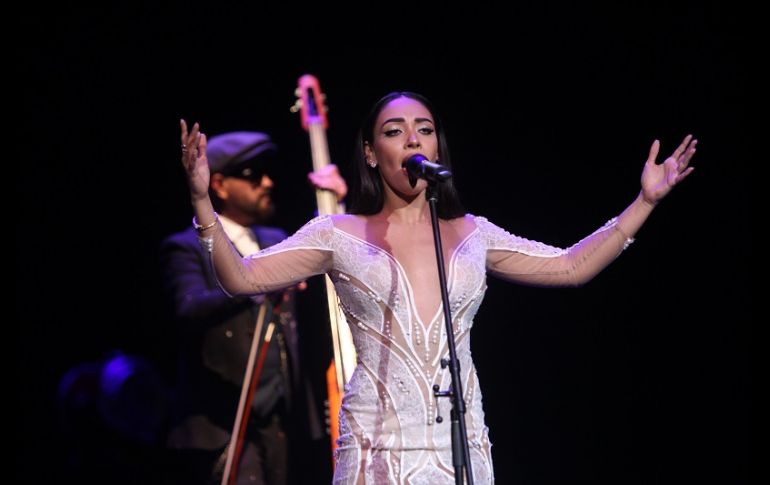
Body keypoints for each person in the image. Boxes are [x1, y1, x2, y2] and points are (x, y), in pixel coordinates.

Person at [178, 91, 696, 484]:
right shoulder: (337, 234)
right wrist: (203, 202)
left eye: (424, 129)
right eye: (395, 130)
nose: (412, 140)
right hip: (376, 449)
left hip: (460, 444)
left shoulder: (474, 233)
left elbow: (570, 266)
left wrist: (645, 203)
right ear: (371, 153)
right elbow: (241, 278)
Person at [161, 131, 347, 485]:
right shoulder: (185, 247)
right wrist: (256, 288)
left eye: (266, 173)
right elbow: (188, 308)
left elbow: (331, 254)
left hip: (283, 421)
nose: (267, 182)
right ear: (220, 185)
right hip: (223, 425)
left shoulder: (276, 240)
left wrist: (334, 207)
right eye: (251, 176)